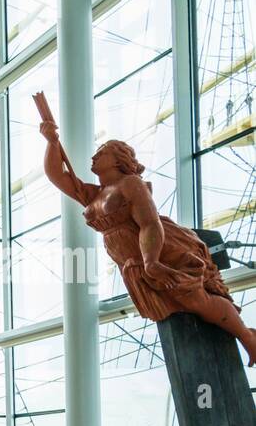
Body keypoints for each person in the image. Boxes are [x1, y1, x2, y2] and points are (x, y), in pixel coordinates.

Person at [39, 117, 256, 365]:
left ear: (119, 159)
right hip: (135, 262)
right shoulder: (93, 194)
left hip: (160, 250)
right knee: (182, 302)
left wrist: (151, 260)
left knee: (194, 298)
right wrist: (52, 142)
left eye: (102, 152)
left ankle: (247, 336)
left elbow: (150, 223)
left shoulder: (130, 184)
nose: (94, 156)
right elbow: (57, 175)